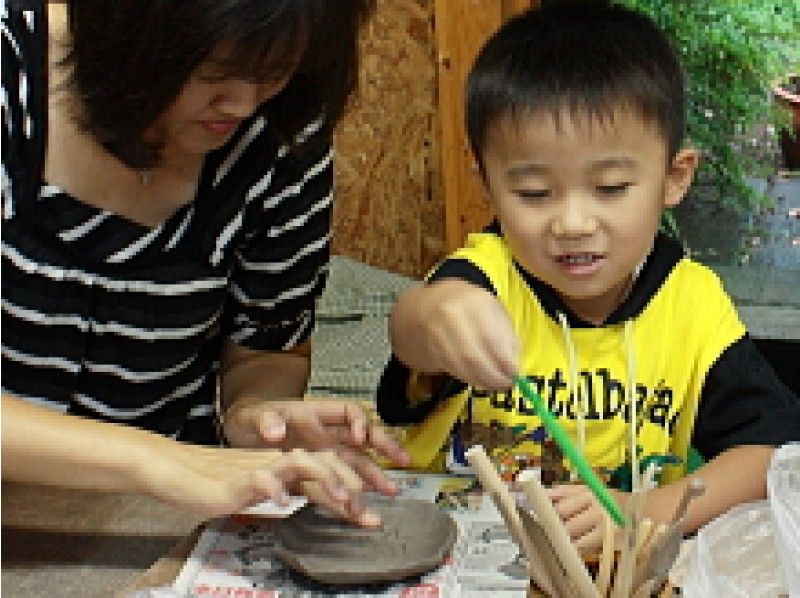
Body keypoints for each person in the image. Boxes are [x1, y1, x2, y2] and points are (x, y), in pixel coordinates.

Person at [376, 1, 800, 551]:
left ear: (674, 178)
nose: (572, 224)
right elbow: (414, 329)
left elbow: (770, 450)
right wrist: (434, 314)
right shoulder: (482, 279)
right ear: (488, 187)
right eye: (533, 193)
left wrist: (641, 514)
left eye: (611, 188)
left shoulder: (691, 303)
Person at [1, 0, 409, 526]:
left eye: (273, 70)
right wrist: (157, 462)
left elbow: (266, 352)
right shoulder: (12, 73)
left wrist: (256, 415)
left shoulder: (282, 135)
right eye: (214, 72)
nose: (242, 104)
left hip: (155, 520)